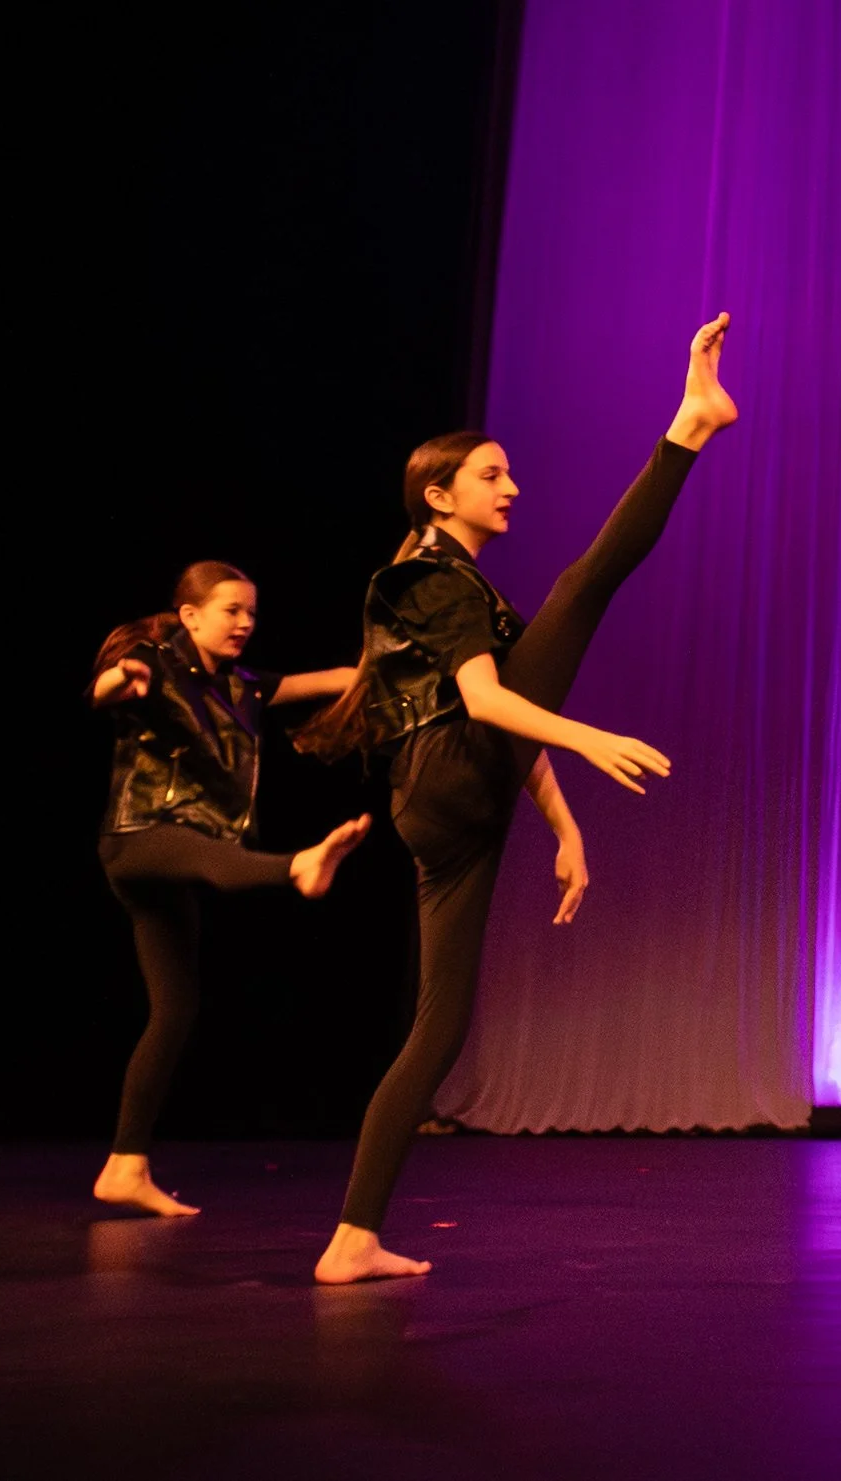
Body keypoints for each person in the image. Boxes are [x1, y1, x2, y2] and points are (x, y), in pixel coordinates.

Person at [295, 314, 737, 1282]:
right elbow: (489, 704)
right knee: (586, 583)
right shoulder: (430, 576)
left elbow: (507, 718)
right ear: (438, 494)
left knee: (438, 1028)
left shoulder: (454, 586)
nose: (512, 488)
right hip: (451, 772)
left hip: (450, 800)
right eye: (491, 475)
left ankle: (352, 1236)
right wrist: (591, 738)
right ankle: (689, 425)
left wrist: (566, 827)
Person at [90, 561, 370, 1217]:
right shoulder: (155, 664)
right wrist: (120, 679)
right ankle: (298, 866)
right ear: (190, 616)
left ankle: (124, 1166)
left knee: (174, 1011)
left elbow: (335, 678)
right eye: (231, 611)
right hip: (140, 839)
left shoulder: (245, 686)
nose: (245, 623)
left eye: (251, 612)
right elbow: (106, 690)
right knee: (217, 860)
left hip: (173, 863)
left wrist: (394, 660)